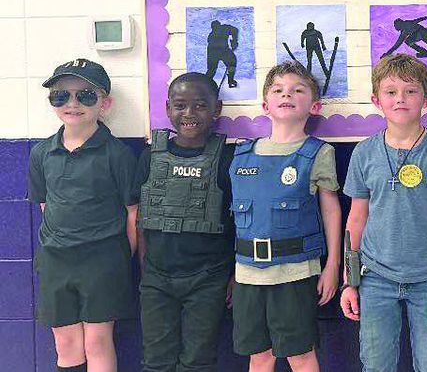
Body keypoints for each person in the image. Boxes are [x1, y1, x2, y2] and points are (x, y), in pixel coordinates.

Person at [340, 54, 427, 372]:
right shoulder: (364, 152)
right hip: (375, 278)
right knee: (376, 364)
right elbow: (355, 219)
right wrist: (350, 281)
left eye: (410, 91)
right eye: (391, 91)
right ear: (376, 100)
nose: (401, 99)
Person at [228, 61, 342, 372]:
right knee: (260, 356)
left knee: (300, 355)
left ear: (314, 105)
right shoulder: (241, 155)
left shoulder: (318, 153)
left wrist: (332, 265)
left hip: (295, 273)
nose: (286, 94)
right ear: (265, 104)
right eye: (278, 89)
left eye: (297, 90)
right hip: (247, 274)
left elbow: (331, 210)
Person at [29, 58, 138, 372]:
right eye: (61, 95)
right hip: (56, 261)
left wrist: (120, 258)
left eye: (85, 95)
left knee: (97, 341)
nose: (72, 103)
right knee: (65, 343)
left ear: (105, 103)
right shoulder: (41, 154)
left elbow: (133, 214)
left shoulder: (116, 154)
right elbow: (46, 207)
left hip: (102, 262)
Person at [135, 72, 235, 372]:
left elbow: (238, 223)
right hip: (157, 278)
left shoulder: (228, 157)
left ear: (216, 109)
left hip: (209, 278)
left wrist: (233, 275)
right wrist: (146, 269)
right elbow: (141, 219)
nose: (189, 114)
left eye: (200, 105)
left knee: (198, 361)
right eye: (180, 105)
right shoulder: (150, 156)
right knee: (156, 361)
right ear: (167, 108)